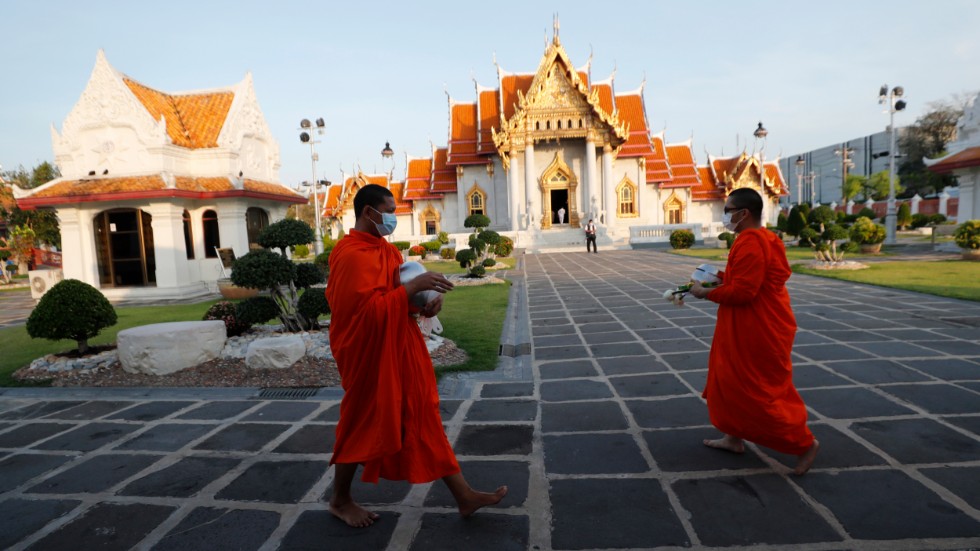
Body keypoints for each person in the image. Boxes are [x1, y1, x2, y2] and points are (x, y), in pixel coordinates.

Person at [326, 184, 507, 527]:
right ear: (369, 212)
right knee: (363, 426)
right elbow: (359, 317)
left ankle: (464, 496)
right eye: (389, 210)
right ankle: (339, 499)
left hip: (400, 347)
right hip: (369, 357)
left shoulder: (388, 252)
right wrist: (411, 288)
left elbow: (397, 303)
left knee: (423, 416)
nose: (393, 217)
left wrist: (423, 306)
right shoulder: (349, 255)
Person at [689, 188, 819, 475]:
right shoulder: (761, 239)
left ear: (743, 213)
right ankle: (733, 438)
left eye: (728, 209)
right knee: (730, 381)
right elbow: (746, 280)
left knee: (758, 391)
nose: (725, 215)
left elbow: (744, 292)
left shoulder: (751, 242)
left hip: (757, 328)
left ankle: (804, 444)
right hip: (746, 323)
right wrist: (718, 278)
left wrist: (703, 292)